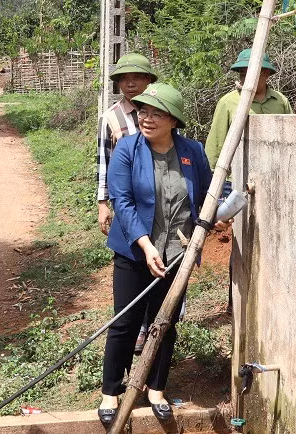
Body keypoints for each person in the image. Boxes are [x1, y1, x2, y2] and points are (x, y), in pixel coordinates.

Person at [98, 83, 230, 425]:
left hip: (176, 255)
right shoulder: (127, 149)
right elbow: (122, 202)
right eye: (143, 112)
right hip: (134, 252)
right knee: (125, 323)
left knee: (164, 322)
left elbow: (205, 193)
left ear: (174, 120)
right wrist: (145, 244)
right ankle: (111, 391)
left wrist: (216, 215)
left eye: (157, 114)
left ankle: (155, 388)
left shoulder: (192, 152)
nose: (147, 118)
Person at [205, 48, 292, 312]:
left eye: (252, 72)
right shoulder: (229, 103)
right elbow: (215, 147)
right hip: (238, 182)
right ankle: (238, 303)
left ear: (265, 74)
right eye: (242, 73)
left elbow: (291, 141)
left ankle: (271, 298)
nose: (245, 78)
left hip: (274, 181)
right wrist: (214, 190)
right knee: (242, 242)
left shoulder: (281, 102)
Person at [95, 53, 158, 355]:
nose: (130, 83)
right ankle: (133, 324)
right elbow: (104, 162)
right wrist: (102, 202)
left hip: (157, 202)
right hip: (126, 202)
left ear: (149, 80)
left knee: (156, 259)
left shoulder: (162, 110)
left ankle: (150, 324)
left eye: (137, 77)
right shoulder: (111, 118)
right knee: (132, 258)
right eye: (124, 78)